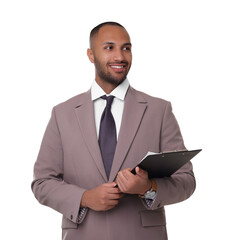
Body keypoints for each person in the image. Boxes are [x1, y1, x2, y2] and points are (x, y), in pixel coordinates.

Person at [31, 22, 196, 240]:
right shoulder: (63, 114)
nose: (120, 56)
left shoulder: (159, 110)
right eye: (109, 47)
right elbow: (42, 182)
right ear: (91, 55)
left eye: (126, 48)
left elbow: (186, 180)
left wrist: (148, 187)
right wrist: (85, 198)